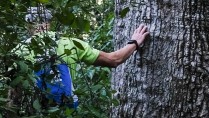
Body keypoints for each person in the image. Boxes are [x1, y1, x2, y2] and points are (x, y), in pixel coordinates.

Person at [11, 6, 149, 111]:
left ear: (28, 26)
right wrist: (134, 42)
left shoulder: (17, 52)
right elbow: (114, 60)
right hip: (66, 111)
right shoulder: (70, 44)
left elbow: (13, 95)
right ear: (49, 23)